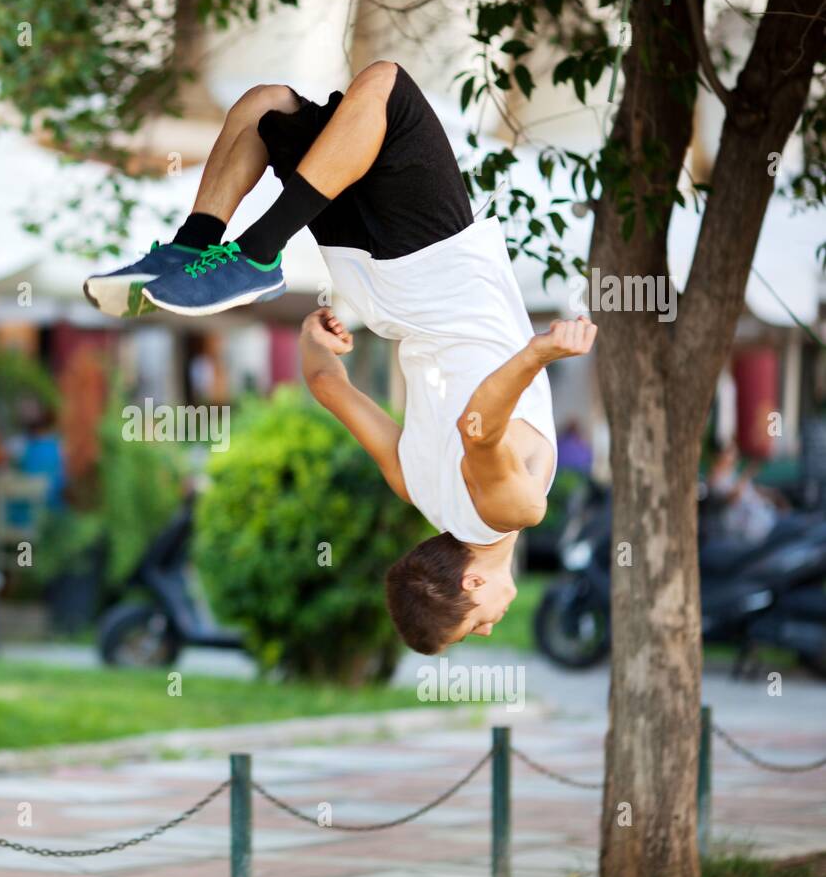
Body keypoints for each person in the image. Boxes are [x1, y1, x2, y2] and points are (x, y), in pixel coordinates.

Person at [84, 62, 597, 652]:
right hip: (374, 291)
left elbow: (477, 429)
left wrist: (539, 354)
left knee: (385, 86)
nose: (489, 623)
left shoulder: (513, 512)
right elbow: (327, 384)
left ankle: (254, 253)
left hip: (432, 266)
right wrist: (313, 336)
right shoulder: (417, 489)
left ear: (472, 580)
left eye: (474, 621)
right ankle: (192, 247)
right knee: (267, 105)